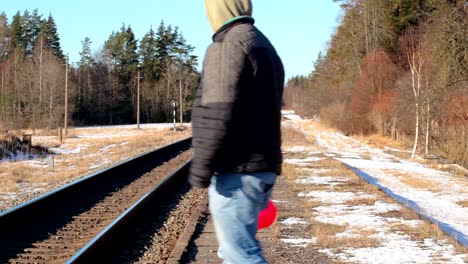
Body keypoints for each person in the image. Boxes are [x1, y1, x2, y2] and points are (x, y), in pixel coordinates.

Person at [189, 0, 284, 263]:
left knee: (241, 255)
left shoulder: (227, 46)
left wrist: (201, 167)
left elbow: (216, 112)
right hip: (261, 167)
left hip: (239, 171)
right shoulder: (261, 43)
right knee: (234, 251)